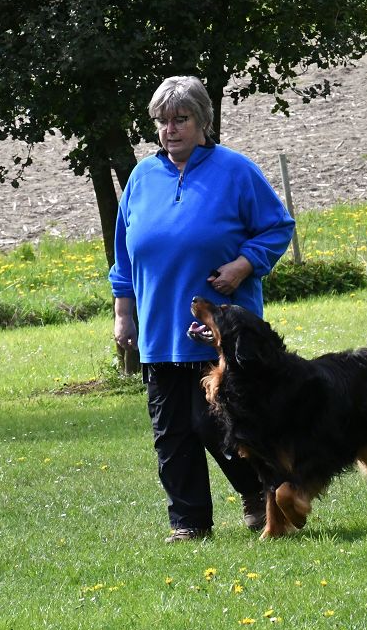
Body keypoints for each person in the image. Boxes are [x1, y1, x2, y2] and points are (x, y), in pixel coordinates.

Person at [109, 75, 296, 543]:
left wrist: (242, 265)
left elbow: (277, 227)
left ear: (203, 122)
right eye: (162, 121)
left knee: (217, 425)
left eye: (181, 119)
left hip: (222, 330)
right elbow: (125, 255)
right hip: (158, 330)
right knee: (172, 432)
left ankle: (259, 493)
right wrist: (123, 313)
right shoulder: (141, 179)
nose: (170, 129)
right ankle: (188, 523)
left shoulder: (235, 171)